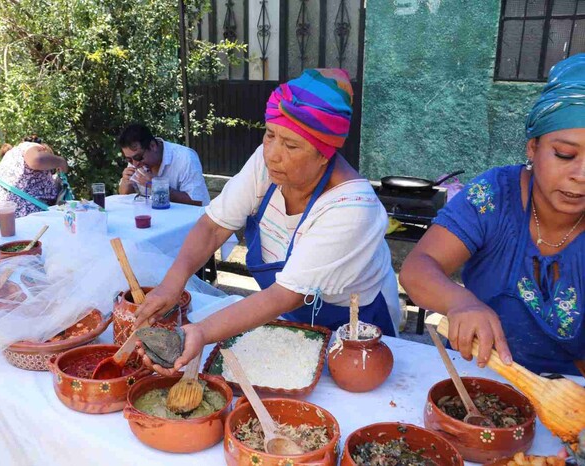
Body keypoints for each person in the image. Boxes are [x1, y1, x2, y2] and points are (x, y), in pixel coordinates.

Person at [134, 68, 401, 374]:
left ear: (325, 155)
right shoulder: (267, 164)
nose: (273, 154)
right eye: (270, 134)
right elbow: (214, 226)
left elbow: (283, 296)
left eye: (291, 145)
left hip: (355, 326)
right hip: (295, 313)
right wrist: (171, 283)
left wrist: (201, 332)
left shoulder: (351, 208)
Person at [400, 54, 585, 376]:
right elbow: (418, 269)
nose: (581, 174)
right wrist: (461, 303)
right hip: (479, 375)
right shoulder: (494, 196)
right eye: (565, 154)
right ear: (533, 148)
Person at [117, 123, 210, 206]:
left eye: (138, 157)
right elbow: (124, 197)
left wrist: (158, 187)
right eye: (128, 159)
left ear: (153, 146)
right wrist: (126, 183)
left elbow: (196, 202)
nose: (135, 164)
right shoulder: (135, 161)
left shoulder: (185, 157)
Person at [0, 135, 69, 223]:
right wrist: (60, 161)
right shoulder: (28, 146)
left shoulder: (10, 164)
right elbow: (37, 159)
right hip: (21, 222)